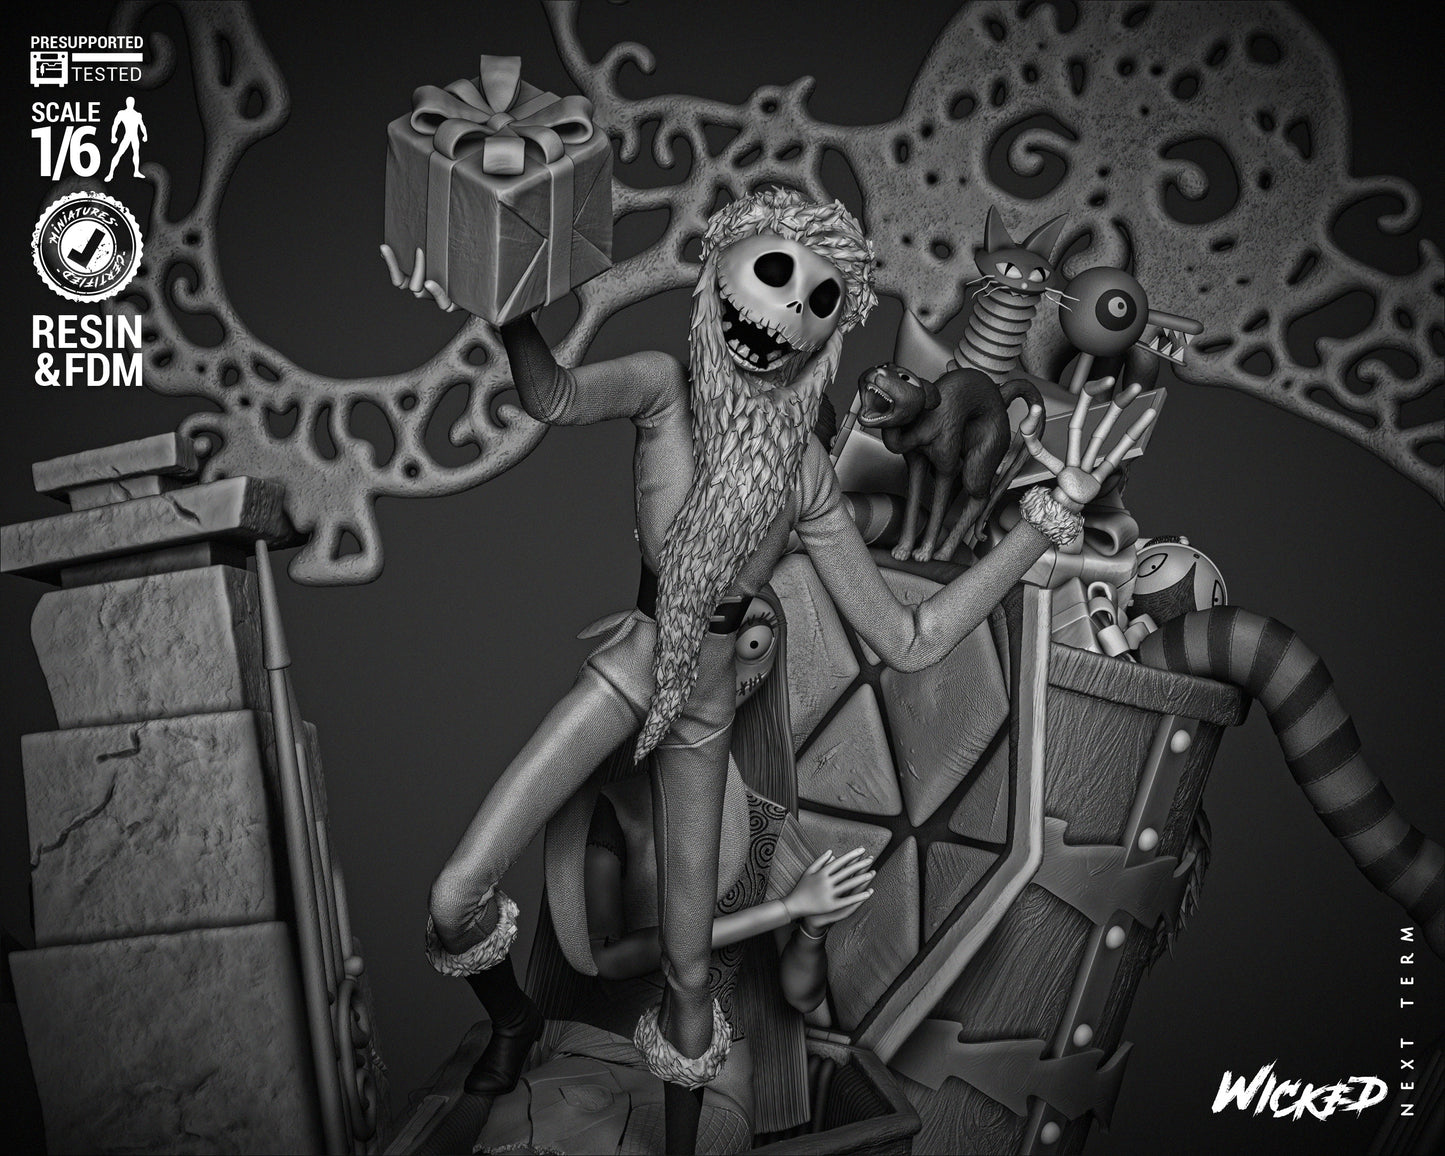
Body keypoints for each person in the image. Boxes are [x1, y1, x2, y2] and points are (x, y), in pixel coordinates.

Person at [382, 185, 1141, 1154]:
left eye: (818, 298)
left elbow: (910, 639)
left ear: (828, 333)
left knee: (690, 980)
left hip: (705, 709)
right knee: (455, 897)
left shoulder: (805, 475)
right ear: (720, 274)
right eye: (774, 273)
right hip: (632, 666)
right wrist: (504, 305)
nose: (787, 307)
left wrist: (1041, 525)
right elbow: (552, 397)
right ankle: (513, 1020)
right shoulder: (661, 388)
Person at [104, 97, 146, 181]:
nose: (130, 104)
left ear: (133, 103)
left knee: (136, 154)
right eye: (129, 102)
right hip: (127, 136)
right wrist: (113, 136)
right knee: (119, 154)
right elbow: (115, 124)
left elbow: (142, 125)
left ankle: (136, 171)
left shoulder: (137, 114)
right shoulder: (122, 113)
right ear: (127, 103)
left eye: (132, 102)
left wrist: (145, 135)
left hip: (135, 137)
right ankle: (110, 173)